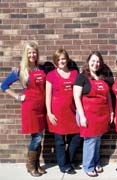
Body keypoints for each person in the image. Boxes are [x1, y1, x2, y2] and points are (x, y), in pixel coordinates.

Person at [1, 41, 47, 177]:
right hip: (30, 108)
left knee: (40, 136)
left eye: (34, 52)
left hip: (42, 107)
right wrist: (17, 96)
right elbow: (4, 85)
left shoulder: (42, 69)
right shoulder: (20, 70)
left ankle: (37, 164)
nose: (32, 55)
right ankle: (31, 165)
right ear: (26, 54)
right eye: (29, 52)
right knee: (37, 137)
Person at [73, 51, 113, 177]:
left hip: (101, 115)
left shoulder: (101, 77)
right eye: (93, 61)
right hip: (88, 114)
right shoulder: (82, 77)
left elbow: (108, 97)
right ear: (88, 62)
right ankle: (88, 166)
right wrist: (82, 116)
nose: (95, 64)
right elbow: (76, 97)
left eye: (97, 61)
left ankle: (95, 162)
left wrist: (111, 112)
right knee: (90, 140)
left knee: (97, 140)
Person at [45, 48, 81, 174]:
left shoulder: (75, 73)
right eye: (59, 59)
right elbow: (48, 95)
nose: (62, 61)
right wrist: (49, 113)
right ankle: (63, 165)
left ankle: (68, 160)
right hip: (57, 113)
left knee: (76, 137)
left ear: (67, 59)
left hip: (72, 112)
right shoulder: (51, 75)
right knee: (59, 141)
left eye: (64, 58)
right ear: (56, 61)